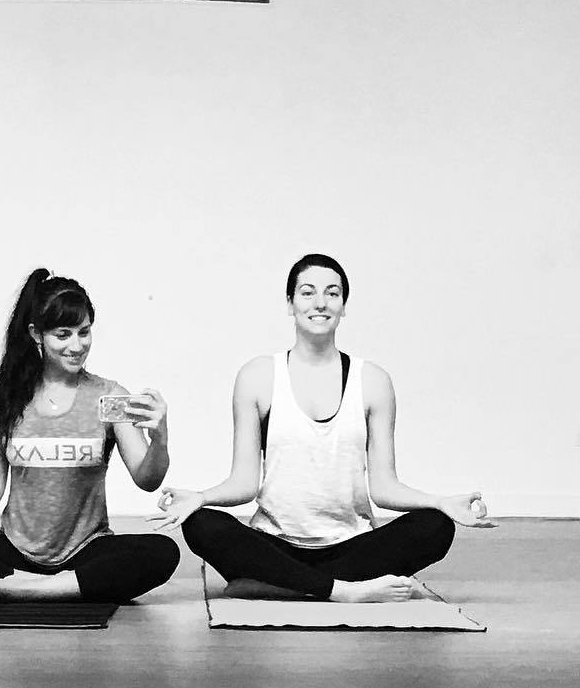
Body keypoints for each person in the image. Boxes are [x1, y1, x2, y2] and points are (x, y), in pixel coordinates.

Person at [150, 254, 495, 603]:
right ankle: (340, 590)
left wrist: (441, 502)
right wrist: (200, 498)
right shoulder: (258, 376)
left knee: (435, 527)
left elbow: (384, 487)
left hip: (351, 546)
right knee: (202, 524)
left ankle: (279, 584)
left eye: (332, 293)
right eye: (307, 292)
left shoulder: (372, 381)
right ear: (290, 304)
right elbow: (243, 483)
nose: (320, 303)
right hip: (274, 544)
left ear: (343, 306)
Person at [0, 268, 181, 604]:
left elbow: (147, 479)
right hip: (15, 551)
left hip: (86, 550)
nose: (77, 345)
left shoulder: (109, 397)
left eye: (84, 332)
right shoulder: (5, 397)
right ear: (37, 334)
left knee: (163, 552)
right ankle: (57, 587)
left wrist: (160, 440)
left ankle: (25, 589)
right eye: (63, 335)